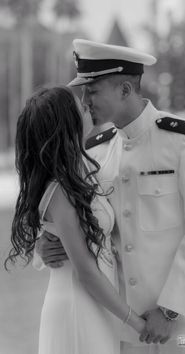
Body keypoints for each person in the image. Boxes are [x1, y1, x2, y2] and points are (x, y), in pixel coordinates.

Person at [36, 39, 185, 354]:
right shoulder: (96, 151)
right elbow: (72, 216)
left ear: (125, 89)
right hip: (125, 321)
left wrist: (169, 310)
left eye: (92, 91)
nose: (84, 101)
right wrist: (46, 244)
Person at [5, 86, 147, 354]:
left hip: (98, 305)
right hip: (78, 306)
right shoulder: (61, 189)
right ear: (67, 124)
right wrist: (135, 322)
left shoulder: (81, 171)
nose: (86, 105)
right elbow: (85, 271)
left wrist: (41, 245)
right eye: (80, 107)